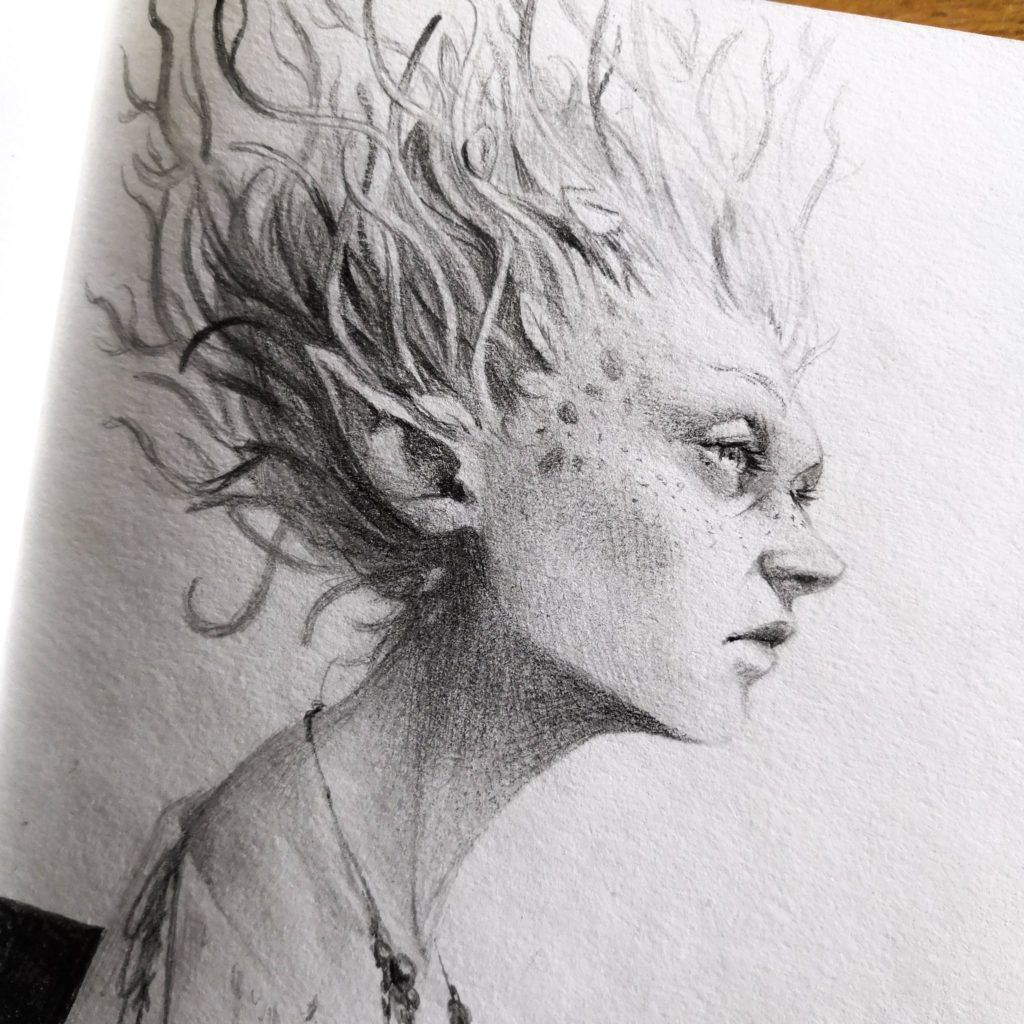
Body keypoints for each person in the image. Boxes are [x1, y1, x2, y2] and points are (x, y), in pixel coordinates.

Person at [70, 0, 844, 1019]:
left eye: (800, 491)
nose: (815, 557)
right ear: (431, 465)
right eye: (732, 455)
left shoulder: (362, 903)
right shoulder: (262, 912)